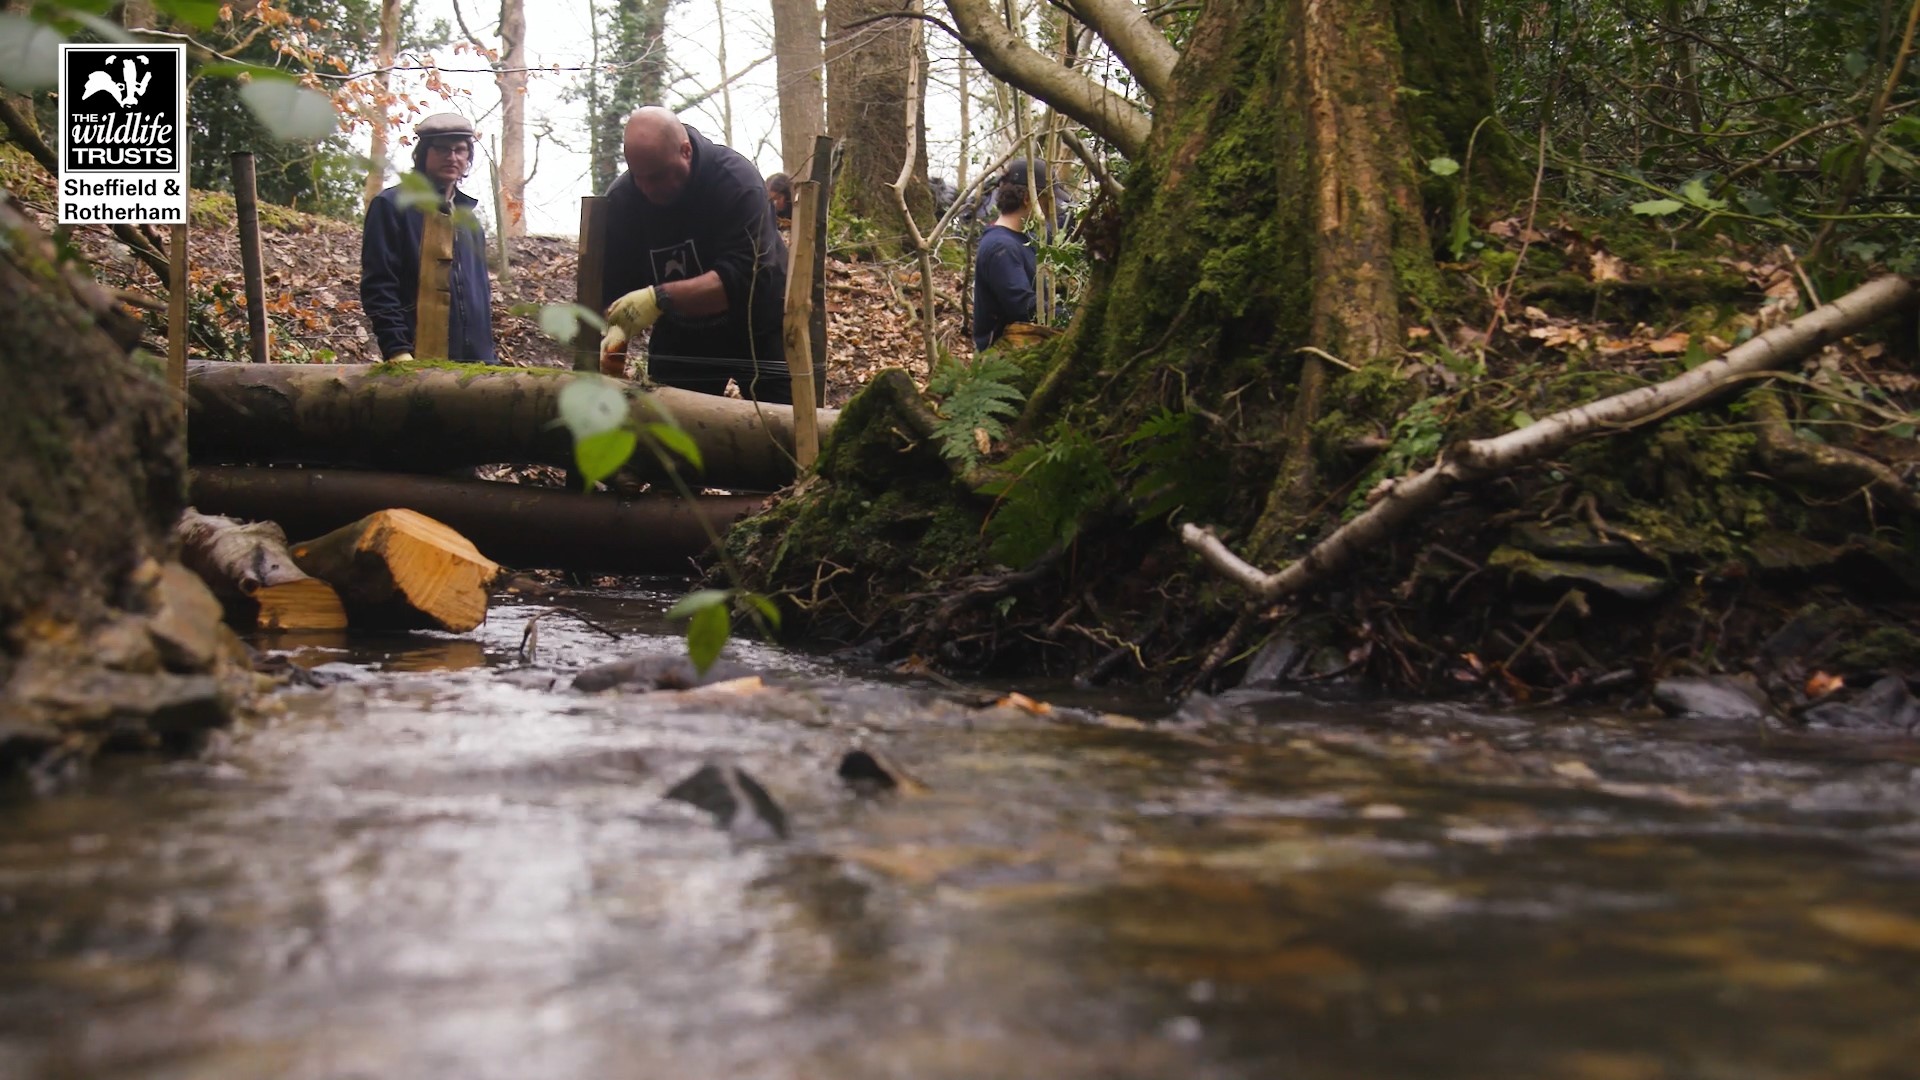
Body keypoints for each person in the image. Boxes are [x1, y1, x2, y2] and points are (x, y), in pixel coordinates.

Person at [598, 107, 815, 404]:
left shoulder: (735, 181)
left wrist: (658, 298)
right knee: (671, 433)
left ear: (685, 151)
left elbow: (742, 279)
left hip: (757, 324)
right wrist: (615, 331)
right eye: (639, 177)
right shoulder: (624, 201)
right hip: (683, 336)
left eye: (658, 177)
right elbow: (613, 284)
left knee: (789, 428)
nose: (648, 189)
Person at [360, 112, 496, 363]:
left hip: (477, 361)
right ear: (423, 154)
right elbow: (379, 284)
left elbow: (479, 295)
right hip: (418, 354)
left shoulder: (469, 220)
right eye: (442, 150)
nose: (452, 157)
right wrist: (398, 349)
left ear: (468, 156)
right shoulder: (391, 205)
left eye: (460, 150)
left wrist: (487, 354)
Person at [972, 178, 1036, 352]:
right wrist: (1071, 316)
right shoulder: (1001, 247)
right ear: (1027, 198)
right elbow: (1023, 306)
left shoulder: (1024, 239)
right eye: (1046, 200)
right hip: (1002, 358)